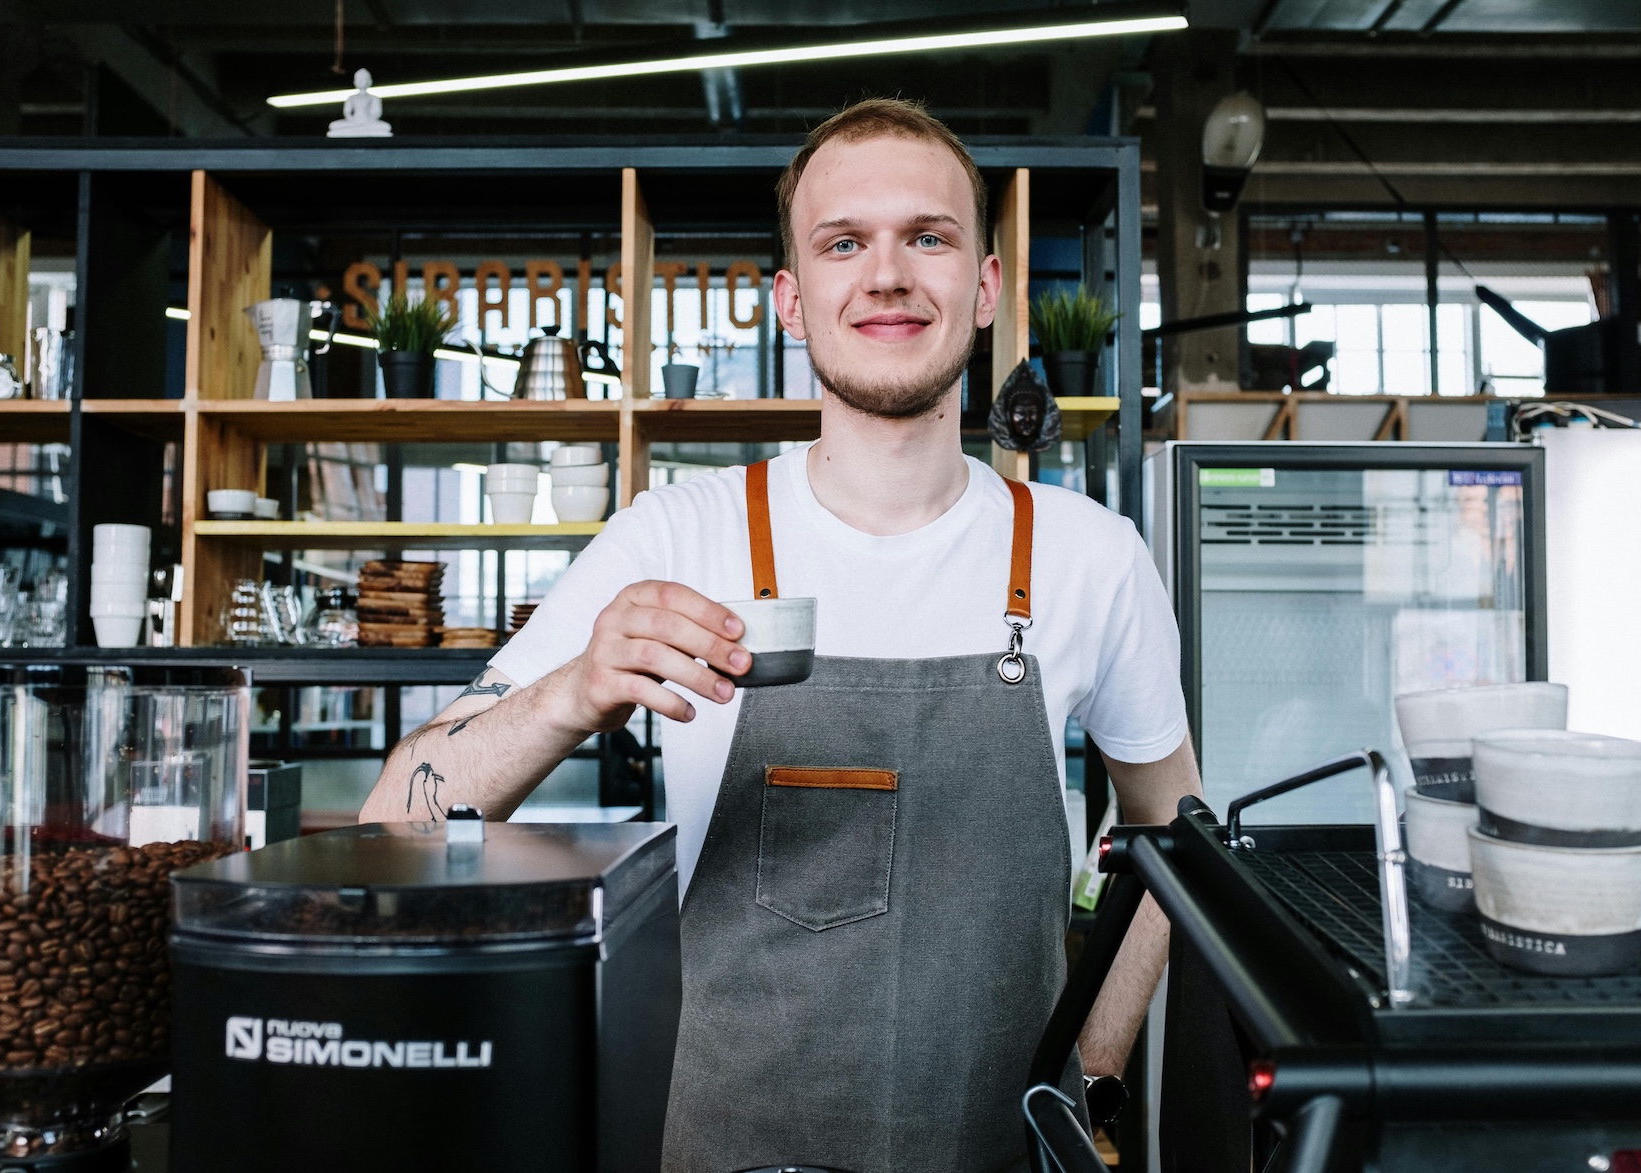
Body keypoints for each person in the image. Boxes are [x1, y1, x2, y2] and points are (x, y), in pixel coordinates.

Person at [360, 97, 1200, 1172]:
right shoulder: (675, 535)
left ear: (986, 288)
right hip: (732, 1146)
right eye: (843, 242)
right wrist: (574, 688)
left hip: (1005, 1150)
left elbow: (1173, 845)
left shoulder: (1092, 557)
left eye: (928, 237)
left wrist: (1086, 1082)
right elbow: (395, 828)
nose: (887, 275)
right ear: (792, 302)